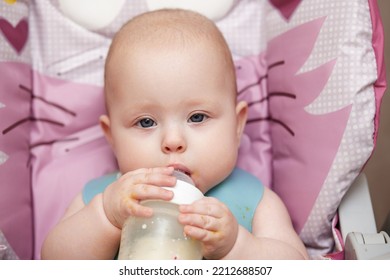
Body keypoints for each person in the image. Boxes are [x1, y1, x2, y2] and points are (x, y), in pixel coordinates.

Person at [41, 8, 308, 260]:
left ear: (237, 126)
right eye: (146, 122)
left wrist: (237, 246)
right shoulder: (102, 199)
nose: (173, 142)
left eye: (197, 117)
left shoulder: (256, 200)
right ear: (112, 137)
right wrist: (107, 217)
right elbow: (51, 262)